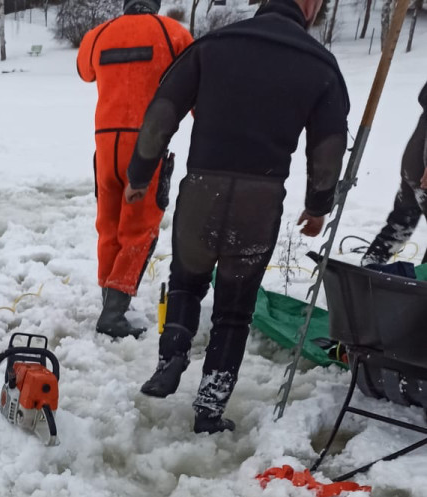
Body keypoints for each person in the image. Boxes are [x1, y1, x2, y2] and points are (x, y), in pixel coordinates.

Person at [125, 0, 348, 433]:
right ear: (309, 6)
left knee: (186, 282)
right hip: (258, 199)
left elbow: (160, 115)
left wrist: (139, 173)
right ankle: (209, 409)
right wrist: (318, 205)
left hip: (202, 188)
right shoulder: (319, 63)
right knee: (234, 309)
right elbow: (329, 145)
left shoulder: (215, 43)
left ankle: (171, 359)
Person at [78, 0, 193, 338]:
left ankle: (108, 300)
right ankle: (113, 313)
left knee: (108, 226)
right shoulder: (172, 33)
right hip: (145, 144)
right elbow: (193, 80)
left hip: (105, 146)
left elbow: (85, 71)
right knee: (140, 230)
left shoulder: (99, 34)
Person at [363, 83, 427, 267]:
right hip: (422, 167)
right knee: (403, 218)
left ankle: (371, 265)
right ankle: (421, 289)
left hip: (413, 164)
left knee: (402, 220)